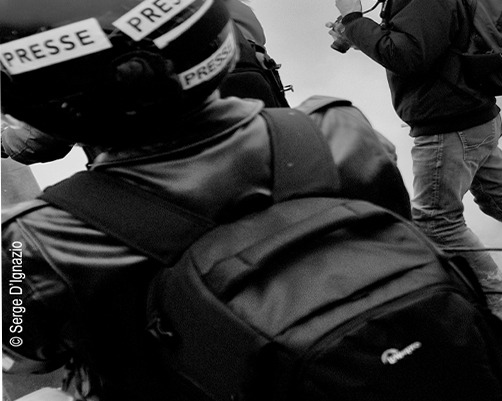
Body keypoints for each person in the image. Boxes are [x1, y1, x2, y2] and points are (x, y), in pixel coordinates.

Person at [0, 0, 409, 399]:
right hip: (381, 363)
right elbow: (395, 227)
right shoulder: (337, 128)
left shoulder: (34, 238)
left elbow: (21, 354)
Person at [330, 0, 502, 289]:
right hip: (472, 115)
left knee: (437, 223)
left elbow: (407, 57)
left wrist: (354, 19)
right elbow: (423, 43)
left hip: (450, 126)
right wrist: (360, 34)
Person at [0, 0, 288, 165]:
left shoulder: (64, 20)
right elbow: (248, 35)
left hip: (166, 182)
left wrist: (3, 141)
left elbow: (43, 138)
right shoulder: (319, 126)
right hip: (272, 142)